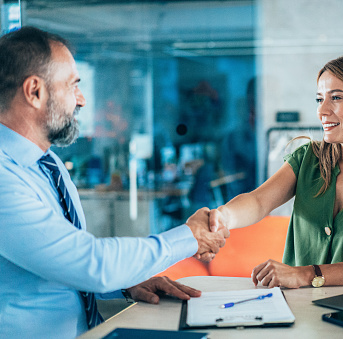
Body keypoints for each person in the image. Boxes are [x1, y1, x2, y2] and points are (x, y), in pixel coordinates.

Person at [0, 26, 229, 338]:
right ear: (34, 91)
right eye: (72, 86)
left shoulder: (49, 164)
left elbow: (63, 265)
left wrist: (126, 282)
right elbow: (91, 263)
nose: (81, 100)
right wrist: (190, 237)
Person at [209, 53, 343, 289]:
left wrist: (304, 274)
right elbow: (258, 202)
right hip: (297, 313)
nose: (322, 111)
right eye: (319, 99)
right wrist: (223, 217)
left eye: (336, 97)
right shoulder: (308, 158)